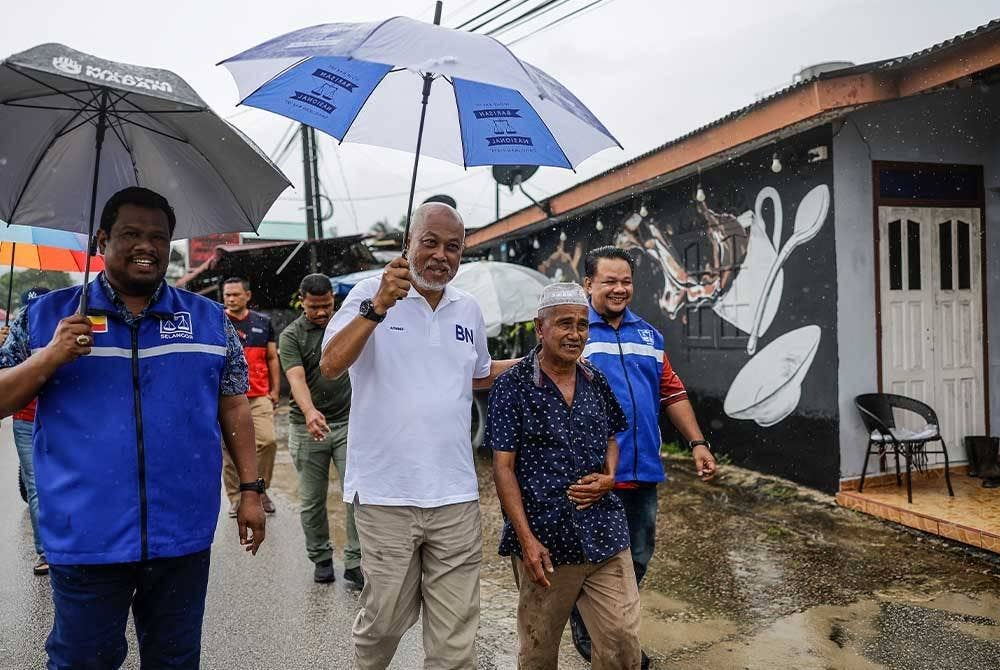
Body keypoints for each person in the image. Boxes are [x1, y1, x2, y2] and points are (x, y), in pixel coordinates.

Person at [0, 186, 265, 669]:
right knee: (83, 661)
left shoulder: (208, 321)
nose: (147, 245)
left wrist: (249, 490)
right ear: (101, 240)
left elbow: (235, 407)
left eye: (159, 237)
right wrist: (49, 357)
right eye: (131, 234)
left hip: (182, 537)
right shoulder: (44, 318)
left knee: (175, 660)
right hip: (85, 538)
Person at [321, 202, 516, 669]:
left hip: (455, 495)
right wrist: (378, 306)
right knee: (384, 620)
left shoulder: (467, 308)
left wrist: (544, 362)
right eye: (430, 242)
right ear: (408, 243)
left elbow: (479, 374)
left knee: (455, 638)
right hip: (386, 493)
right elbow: (330, 364)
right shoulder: (369, 295)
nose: (441, 256)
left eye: (454, 247)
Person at [572, 245, 718, 666]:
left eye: (626, 281)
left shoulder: (648, 335)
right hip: (595, 477)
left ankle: (608, 629)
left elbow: (670, 391)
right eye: (609, 281)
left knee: (636, 557)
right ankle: (598, 636)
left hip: (643, 473)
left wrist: (697, 443)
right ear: (588, 284)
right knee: (592, 560)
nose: (620, 289)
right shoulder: (576, 333)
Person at [487, 282, 641, 670]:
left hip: (605, 533)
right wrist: (526, 540)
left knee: (623, 642)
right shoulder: (512, 386)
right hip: (547, 544)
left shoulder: (594, 379)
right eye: (564, 324)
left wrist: (610, 475)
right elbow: (503, 469)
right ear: (540, 328)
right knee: (539, 651)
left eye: (583, 325)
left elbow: (612, 436)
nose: (575, 334)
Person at [279, 273, 362, 586]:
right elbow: (296, 379)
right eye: (314, 307)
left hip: (347, 423)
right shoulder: (291, 336)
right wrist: (310, 411)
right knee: (313, 500)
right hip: (306, 427)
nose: (321, 312)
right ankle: (321, 557)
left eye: (326, 305)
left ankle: (355, 561)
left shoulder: (345, 326)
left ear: (333, 300)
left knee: (355, 494)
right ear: (302, 302)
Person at [221, 276, 280, 516]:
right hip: (226, 398)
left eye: (236, 294)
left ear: (247, 296)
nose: (231, 299)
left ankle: (259, 489)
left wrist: (275, 390)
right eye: (227, 295)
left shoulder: (263, 323)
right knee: (229, 450)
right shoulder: (217, 322)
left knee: (268, 442)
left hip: (258, 396)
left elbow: (272, 358)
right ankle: (236, 498)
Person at [2, 286, 50, 576]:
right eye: (31, 305)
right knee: (35, 483)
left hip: (53, 417)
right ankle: (45, 552)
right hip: (23, 418)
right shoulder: (17, 334)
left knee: (48, 480)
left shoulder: (60, 329)